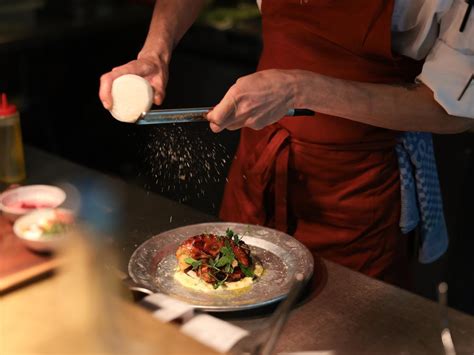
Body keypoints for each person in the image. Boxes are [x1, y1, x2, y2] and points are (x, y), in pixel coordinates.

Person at [100, 0, 474, 286]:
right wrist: (155, 51)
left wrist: (301, 88)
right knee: (227, 295)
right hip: (261, 155)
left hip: (359, 186)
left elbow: (454, 111)